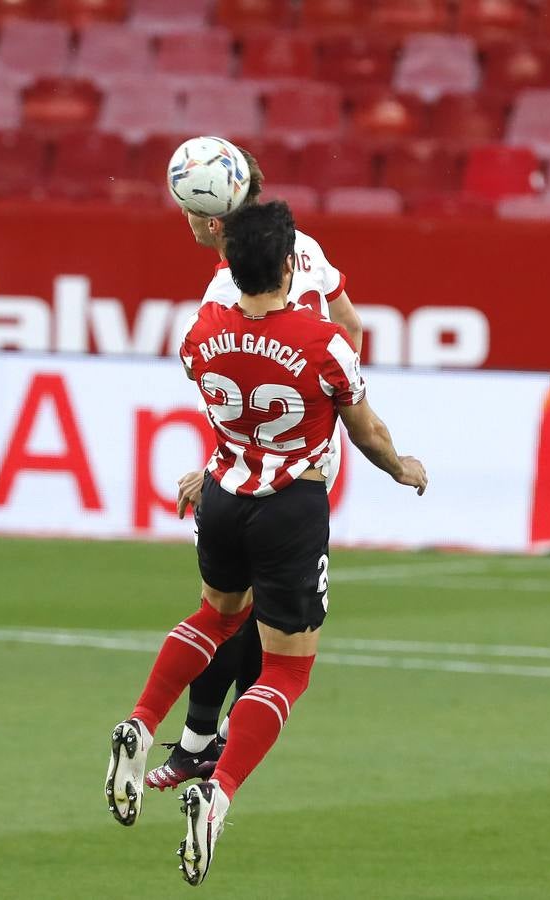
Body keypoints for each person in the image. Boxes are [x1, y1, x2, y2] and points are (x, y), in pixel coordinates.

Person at [105, 200, 427, 886]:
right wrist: (401, 467)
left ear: (228, 266)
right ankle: (217, 793)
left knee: (214, 616)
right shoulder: (322, 342)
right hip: (290, 508)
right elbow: (365, 431)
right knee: (286, 670)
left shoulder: (201, 332)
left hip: (223, 497)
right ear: (288, 267)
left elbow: (214, 388)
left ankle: (141, 721)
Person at [144, 143, 363, 793]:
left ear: (213, 222)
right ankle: (213, 748)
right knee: (268, 620)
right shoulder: (304, 245)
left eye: (188, 213)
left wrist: (222, 463)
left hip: (257, 467)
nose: (186, 224)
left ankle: (199, 742)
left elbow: (230, 389)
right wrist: (331, 400)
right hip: (309, 454)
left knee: (226, 609)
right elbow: (349, 325)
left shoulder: (226, 291)